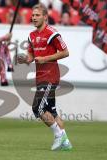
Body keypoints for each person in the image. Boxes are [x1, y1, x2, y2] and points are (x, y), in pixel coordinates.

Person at [17, 3, 72, 151]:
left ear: (45, 17)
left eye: (37, 15)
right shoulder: (31, 35)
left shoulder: (52, 33)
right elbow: (31, 56)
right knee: (51, 111)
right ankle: (66, 142)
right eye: (33, 15)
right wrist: (25, 59)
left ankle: (58, 136)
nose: (33, 18)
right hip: (40, 77)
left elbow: (65, 52)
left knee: (37, 108)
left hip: (50, 76)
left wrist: (46, 58)